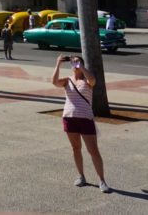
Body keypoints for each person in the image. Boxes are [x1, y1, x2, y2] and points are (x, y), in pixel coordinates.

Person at [53, 54, 109, 193]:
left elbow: (93, 80)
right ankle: (81, 176)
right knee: (76, 148)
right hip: (69, 117)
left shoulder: (87, 80)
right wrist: (58, 64)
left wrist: (81, 66)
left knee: (93, 150)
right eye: (72, 62)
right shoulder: (67, 80)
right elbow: (54, 82)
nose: (74, 64)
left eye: (77, 61)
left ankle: (102, 180)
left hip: (86, 118)